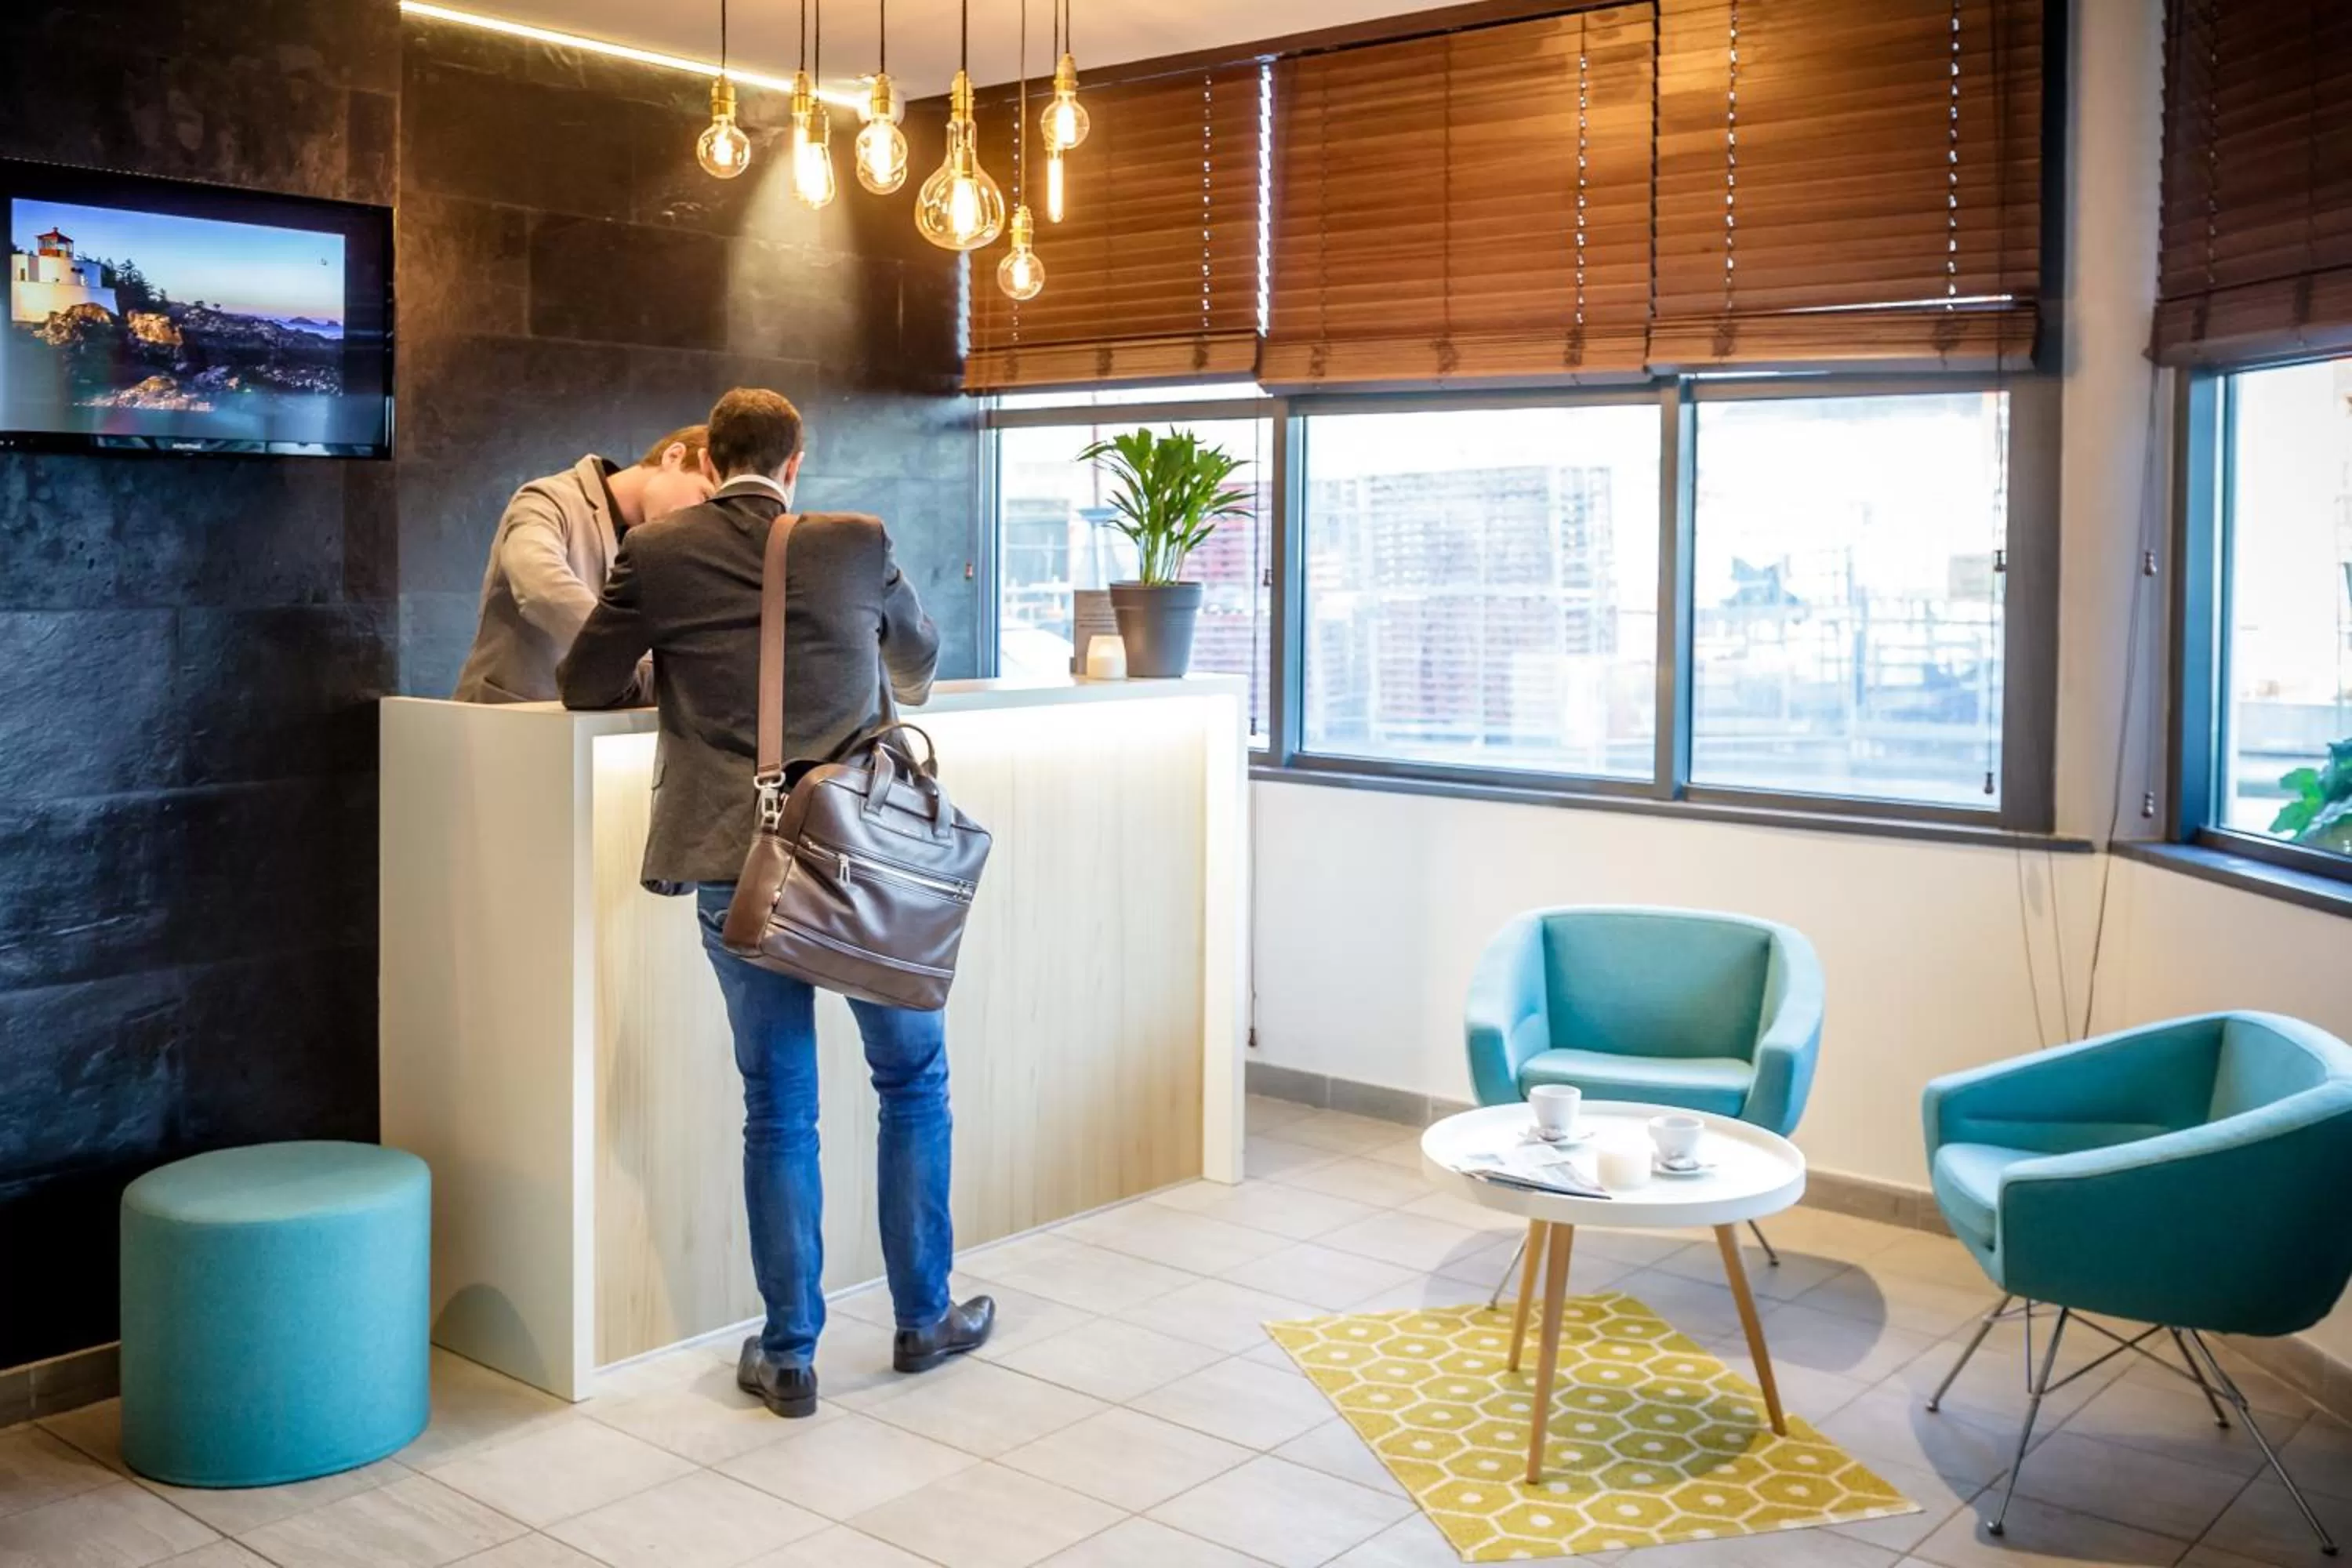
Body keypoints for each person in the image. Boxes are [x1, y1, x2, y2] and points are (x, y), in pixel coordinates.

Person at [558, 387, 991, 1418]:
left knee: (779, 1105)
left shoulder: (656, 553)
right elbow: (919, 667)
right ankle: (922, 1318)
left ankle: (791, 1354)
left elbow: (581, 681)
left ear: (709, 459)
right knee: (912, 1082)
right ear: (797, 463)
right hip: (857, 863)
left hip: (731, 860)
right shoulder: (854, 542)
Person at [452, 428, 716, 703]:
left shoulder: (664, 544)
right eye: (704, 497)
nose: (701, 520)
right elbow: (540, 588)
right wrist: (632, 655)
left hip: (591, 733)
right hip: (504, 721)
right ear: (673, 456)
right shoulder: (548, 499)